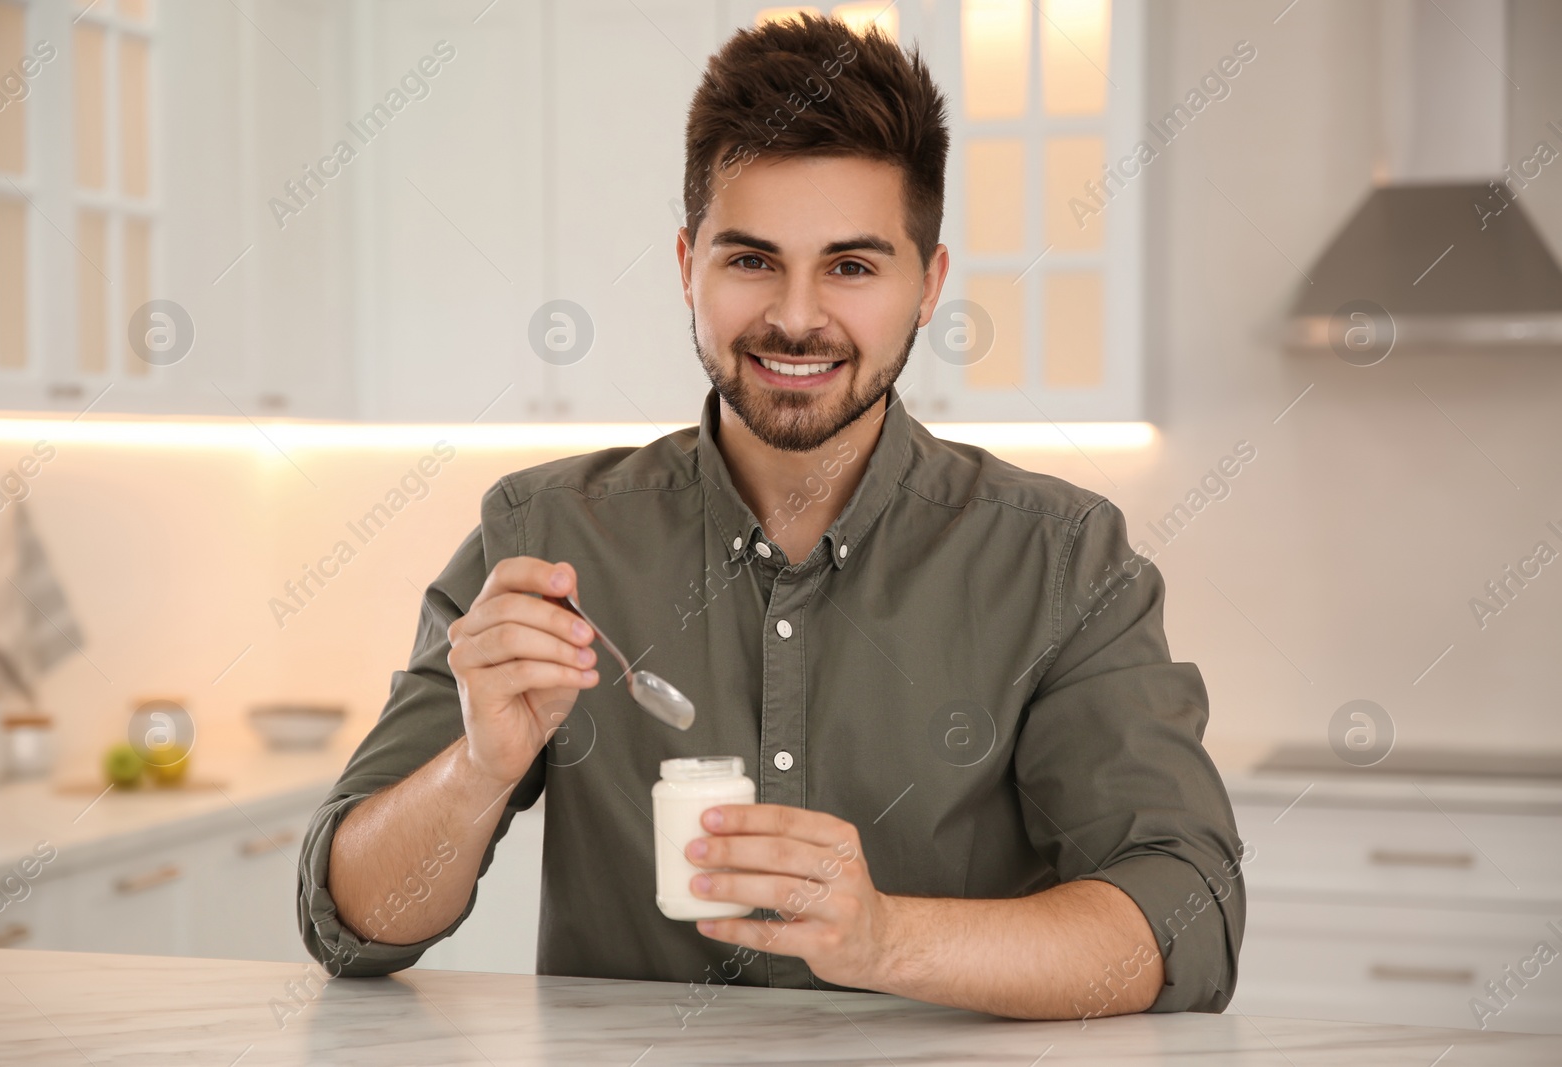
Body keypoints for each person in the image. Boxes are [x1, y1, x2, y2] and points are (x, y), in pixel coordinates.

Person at [298, 13, 1245, 1021]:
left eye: (851, 265)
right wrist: (477, 766)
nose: (796, 316)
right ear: (686, 264)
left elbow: (1183, 916)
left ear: (928, 286)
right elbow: (350, 923)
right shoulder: (544, 534)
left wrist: (886, 937)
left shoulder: (1059, 556)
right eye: (751, 260)